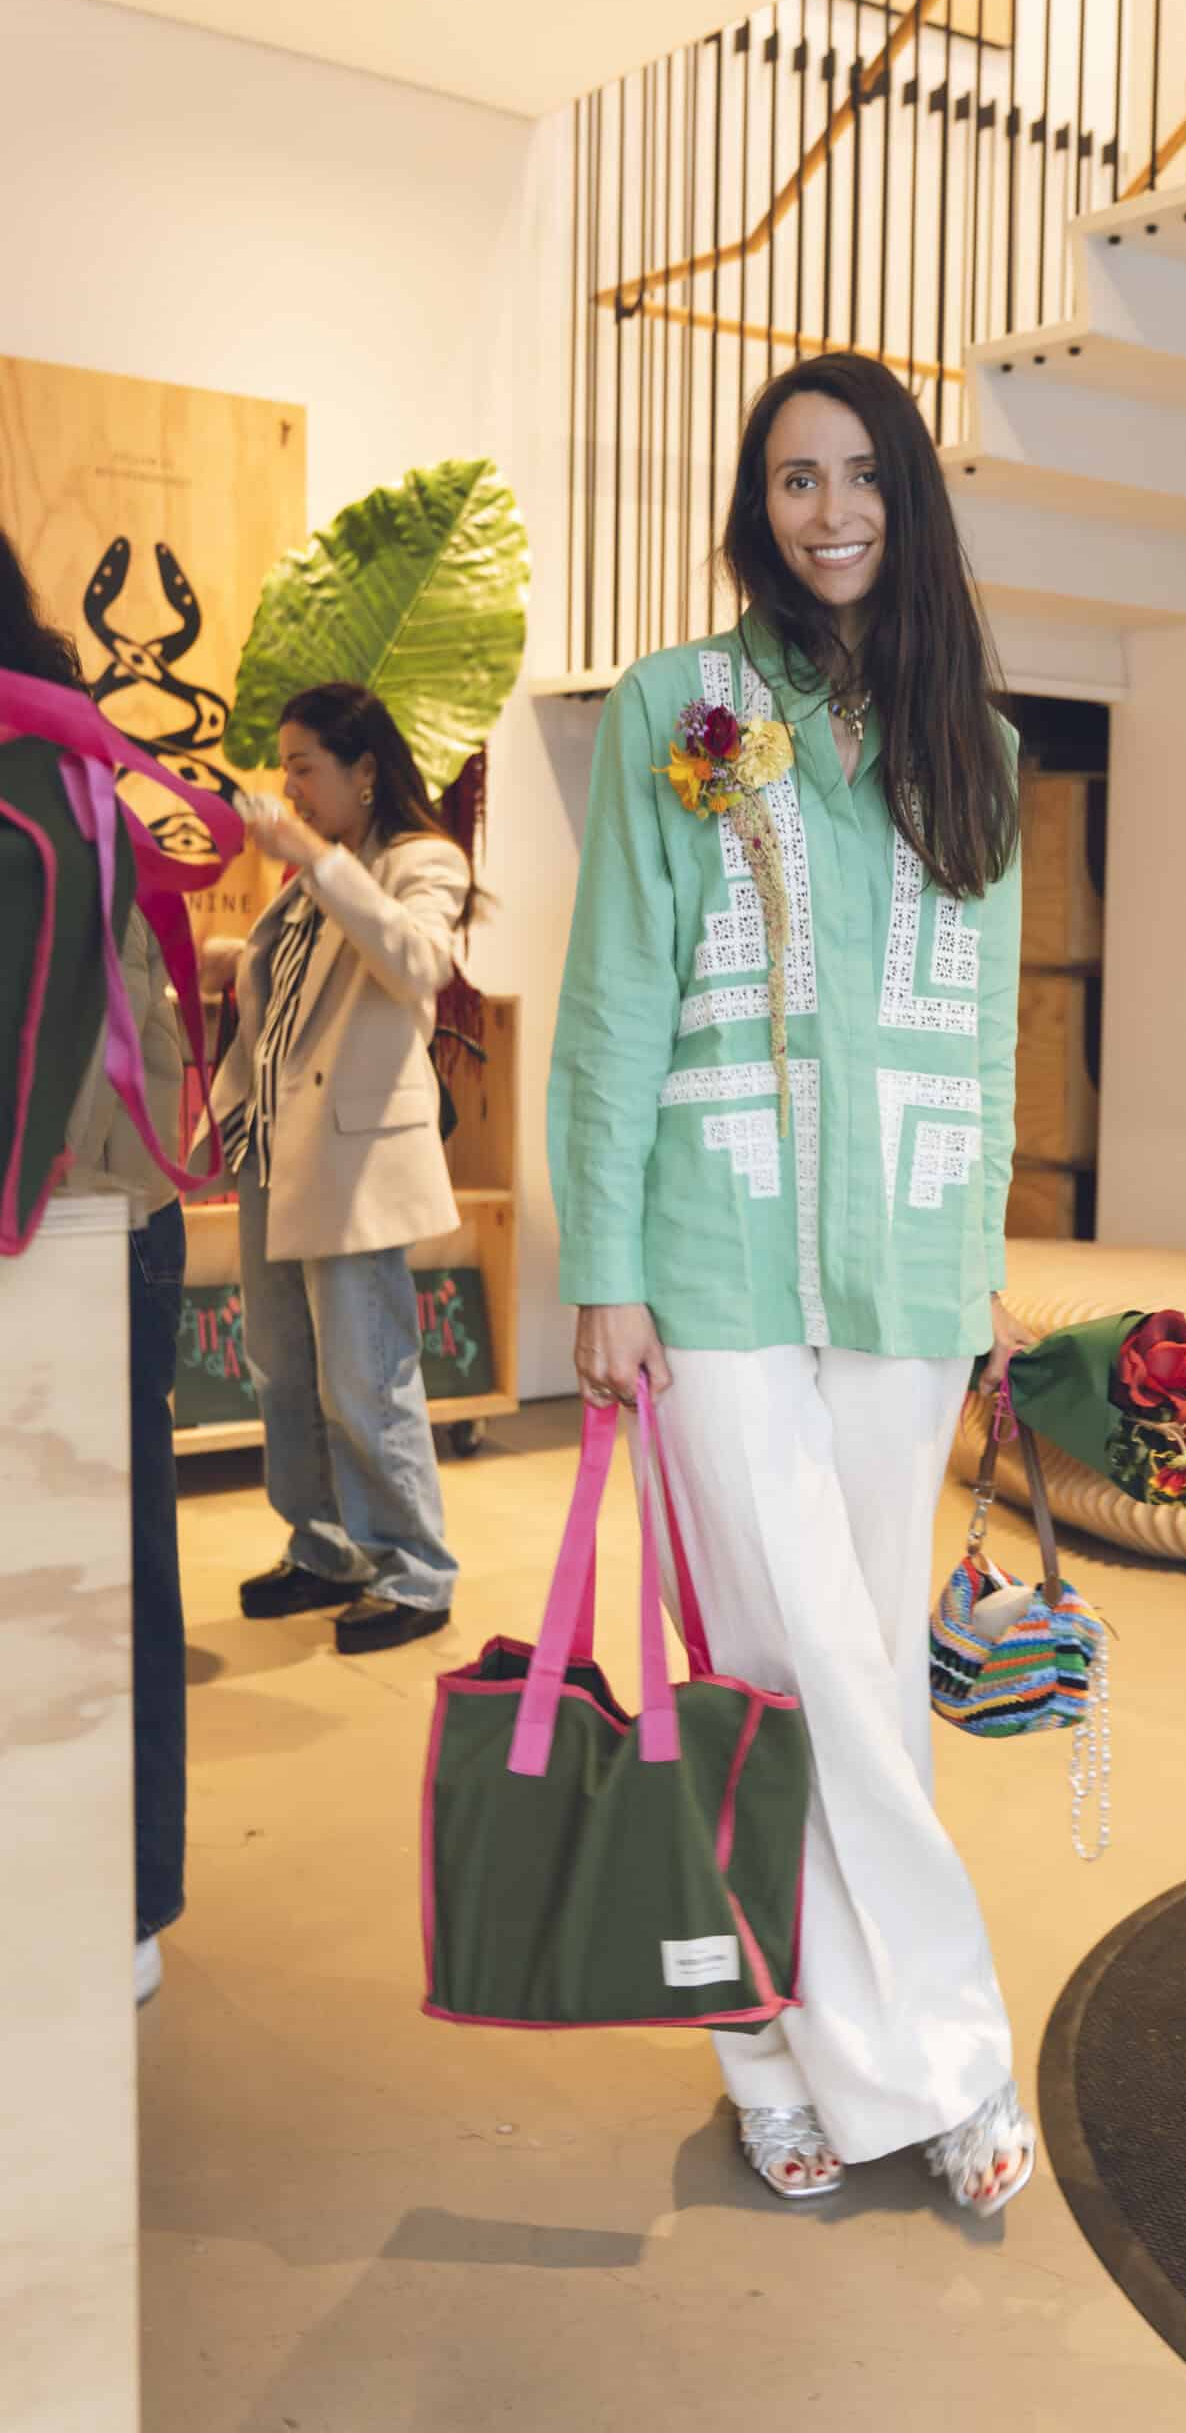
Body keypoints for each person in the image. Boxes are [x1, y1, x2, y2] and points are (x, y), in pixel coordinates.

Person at [548, 353, 1037, 2213]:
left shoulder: (973, 746)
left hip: (902, 1265)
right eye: (793, 480)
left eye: (859, 476)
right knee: (776, 1667)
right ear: (757, 510)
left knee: (867, 1680)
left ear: (907, 497)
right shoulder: (679, 706)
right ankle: (899, 2059)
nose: (829, 513)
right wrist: (603, 1267)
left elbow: (981, 1040)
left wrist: (976, 1266)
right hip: (713, 1261)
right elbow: (614, 998)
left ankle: (830, 2051)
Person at [1, 524, 189, 2008]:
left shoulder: (37, 779)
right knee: (105, 1561)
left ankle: (118, 1895)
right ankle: (119, 1895)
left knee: (92, 1568)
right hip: (101, 1218)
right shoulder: (67, 765)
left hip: (70, 1227)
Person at [204, 683, 472, 1653]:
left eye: (304, 766)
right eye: (285, 769)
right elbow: (303, 999)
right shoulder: (318, 876)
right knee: (284, 1372)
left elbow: (417, 961)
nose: (290, 788)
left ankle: (415, 1570)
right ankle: (324, 1548)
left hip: (352, 1160)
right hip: (277, 1150)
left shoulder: (419, 860)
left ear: (364, 770)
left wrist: (315, 860)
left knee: (365, 1376)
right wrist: (239, 958)